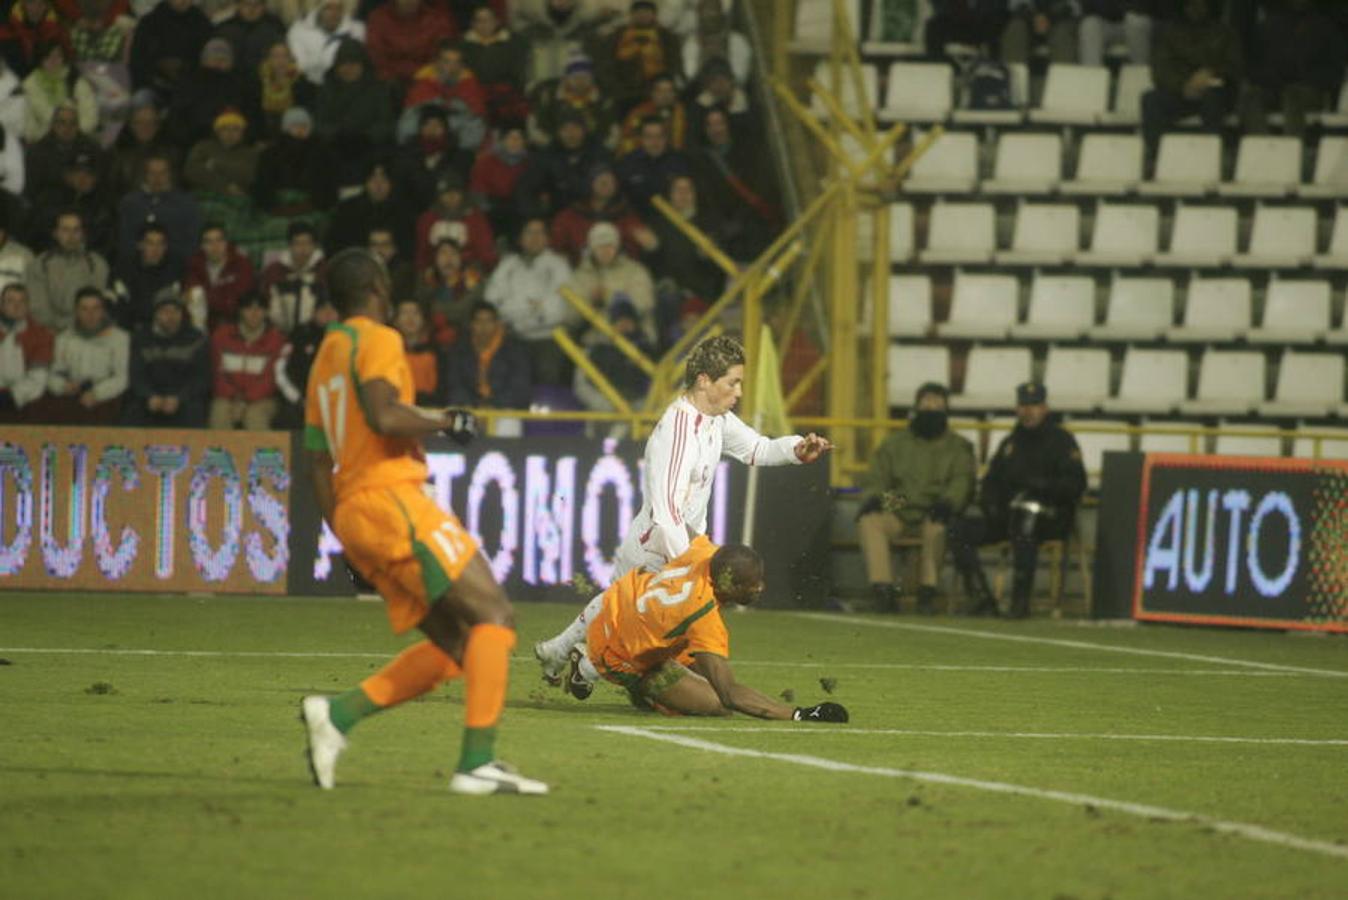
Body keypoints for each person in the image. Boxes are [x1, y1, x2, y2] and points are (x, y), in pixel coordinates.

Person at [298, 247, 547, 795]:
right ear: (378, 288)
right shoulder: (379, 339)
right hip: (393, 499)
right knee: (494, 615)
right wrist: (446, 419)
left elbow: (316, 461)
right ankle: (476, 764)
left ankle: (336, 716)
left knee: (459, 645)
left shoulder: (325, 357)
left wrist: (347, 540)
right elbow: (385, 415)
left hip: (355, 512)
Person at [534, 333, 833, 682]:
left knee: (619, 608)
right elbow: (667, 511)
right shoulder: (677, 431)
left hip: (676, 542)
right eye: (732, 383)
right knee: (649, 625)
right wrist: (691, 568)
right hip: (657, 545)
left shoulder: (717, 419)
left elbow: (756, 449)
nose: (739, 392)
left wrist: (796, 449)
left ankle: (561, 653)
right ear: (704, 381)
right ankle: (585, 666)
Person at [563, 536, 849, 724]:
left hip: (619, 607)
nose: (760, 587)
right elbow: (730, 695)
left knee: (693, 664)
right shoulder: (702, 615)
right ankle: (594, 667)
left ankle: (651, 686)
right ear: (728, 586)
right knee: (716, 704)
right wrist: (799, 714)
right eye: (752, 583)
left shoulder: (706, 554)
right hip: (616, 652)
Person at [949, 382, 1086, 619]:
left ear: (1045, 408)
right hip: (1008, 517)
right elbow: (990, 482)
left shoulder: (1062, 441)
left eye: (1034, 405)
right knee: (957, 530)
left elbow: (1076, 484)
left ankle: (1019, 603)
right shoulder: (1010, 443)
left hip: (1050, 518)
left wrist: (1041, 487)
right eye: (1023, 405)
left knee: (1025, 523)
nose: (1028, 411)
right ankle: (980, 597)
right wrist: (991, 505)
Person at [856, 383, 976, 615]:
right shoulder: (894, 444)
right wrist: (874, 498)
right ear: (916, 407)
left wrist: (949, 502)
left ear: (946, 410)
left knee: (937, 527)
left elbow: (962, 480)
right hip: (899, 505)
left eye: (937, 405)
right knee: (870, 521)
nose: (930, 410)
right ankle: (883, 590)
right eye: (926, 404)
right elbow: (876, 478)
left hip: (934, 507)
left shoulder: (958, 447)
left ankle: (927, 593)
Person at [1141, 0, 1242, 152]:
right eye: (1191, 4)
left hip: (1216, 89)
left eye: (1201, 4)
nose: (1196, 8)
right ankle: (1159, 153)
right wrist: (1183, 85)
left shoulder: (1225, 33)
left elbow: (1234, 68)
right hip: (1181, 91)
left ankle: (1210, 152)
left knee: (1213, 97)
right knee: (1150, 100)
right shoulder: (1170, 33)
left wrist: (1211, 75)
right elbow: (1161, 70)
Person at [484, 216, 572, 385]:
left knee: (547, 377)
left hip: (548, 339)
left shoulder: (559, 265)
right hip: (513, 336)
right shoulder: (507, 265)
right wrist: (533, 307)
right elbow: (492, 302)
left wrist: (516, 312)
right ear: (520, 238)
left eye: (540, 232)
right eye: (529, 232)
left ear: (547, 238)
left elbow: (558, 310)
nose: (535, 237)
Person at [122, 292, 209, 428]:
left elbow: (200, 378)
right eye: (165, 311)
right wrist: (149, 396)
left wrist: (179, 398)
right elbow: (136, 375)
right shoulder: (141, 338)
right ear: (156, 314)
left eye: (176, 311)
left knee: (194, 412)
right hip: (150, 398)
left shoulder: (196, 339)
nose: (171, 316)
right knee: (132, 412)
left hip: (183, 399)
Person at [43, 286, 128, 424]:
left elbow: (122, 378)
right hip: (72, 397)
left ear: (103, 310)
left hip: (107, 399)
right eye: (84, 309)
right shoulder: (64, 338)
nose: (90, 314)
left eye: (96, 308)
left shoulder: (119, 338)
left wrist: (97, 393)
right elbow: (52, 374)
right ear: (76, 311)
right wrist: (62, 386)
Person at [209, 290, 284, 430]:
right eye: (249, 308)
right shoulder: (221, 336)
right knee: (220, 412)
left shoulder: (276, 340)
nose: (254, 313)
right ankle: (221, 446)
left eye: (259, 309)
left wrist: (246, 400)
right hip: (227, 397)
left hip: (263, 399)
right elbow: (217, 374)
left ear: (266, 312)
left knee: (254, 415)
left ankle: (262, 446)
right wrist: (234, 397)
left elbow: (271, 379)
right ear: (240, 311)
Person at [26, 210, 109, 332]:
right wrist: (61, 330)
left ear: (83, 233)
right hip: (49, 332)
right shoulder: (39, 265)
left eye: (76, 230)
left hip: (88, 330)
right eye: (65, 230)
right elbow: (39, 309)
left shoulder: (97, 264)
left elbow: (95, 306)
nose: (71, 236)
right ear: (55, 233)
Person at [440, 299, 532, 409]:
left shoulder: (515, 349)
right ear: (471, 324)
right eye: (479, 321)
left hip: (505, 409)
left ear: (497, 323)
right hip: (470, 408)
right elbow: (454, 384)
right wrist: (471, 405)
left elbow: (519, 387)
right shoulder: (459, 349)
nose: (484, 326)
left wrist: (493, 405)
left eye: (489, 321)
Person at [183, 222, 256, 333]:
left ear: (226, 243)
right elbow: (191, 299)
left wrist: (208, 298)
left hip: (235, 325)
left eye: (219, 240)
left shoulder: (241, 265)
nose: (215, 246)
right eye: (208, 242)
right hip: (203, 326)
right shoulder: (194, 266)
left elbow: (239, 302)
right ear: (202, 246)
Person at [0, 282, 54, 422]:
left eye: (22, 301)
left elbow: (38, 377)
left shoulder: (41, 336)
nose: (16, 306)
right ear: (1, 305)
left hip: (22, 405)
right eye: (10, 301)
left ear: (28, 306)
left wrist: (12, 396)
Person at [261, 220, 326, 333]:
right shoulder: (274, 272)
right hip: (279, 334)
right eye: (298, 244)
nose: (303, 249)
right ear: (290, 246)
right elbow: (263, 304)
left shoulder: (324, 271)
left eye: (308, 243)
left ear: (314, 245)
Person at [288, 0, 367, 87]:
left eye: (338, 8)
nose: (334, 13)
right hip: (312, 86)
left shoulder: (357, 30)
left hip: (348, 85)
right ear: (319, 9)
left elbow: (361, 64)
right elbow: (300, 66)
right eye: (328, 8)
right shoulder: (299, 31)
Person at [1001, 0, 1079, 65]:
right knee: (1016, 28)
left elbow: (1075, 9)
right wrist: (1033, 16)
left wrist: (1050, 17)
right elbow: (1014, 8)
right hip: (1026, 19)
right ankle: (1014, 75)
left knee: (1062, 33)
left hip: (1061, 21)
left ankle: (1063, 76)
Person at [1079, 0, 1154, 67]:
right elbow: (1088, 8)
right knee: (1089, 24)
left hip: (1131, 21)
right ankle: (1092, 73)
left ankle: (1140, 71)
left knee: (1136, 21)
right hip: (1103, 22)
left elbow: (1142, 6)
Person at [392, 297, 438, 405]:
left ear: (423, 320)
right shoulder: (389, 351)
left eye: (415, 313)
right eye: (404, 313)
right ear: (395, 321)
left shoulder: (436, 351)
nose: (410, 318)